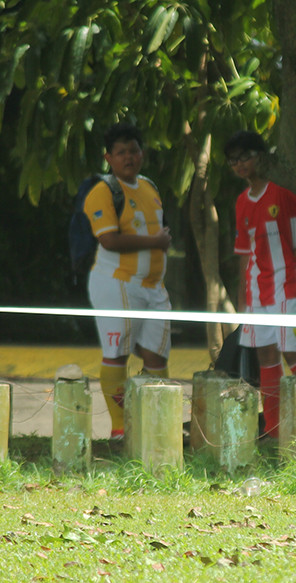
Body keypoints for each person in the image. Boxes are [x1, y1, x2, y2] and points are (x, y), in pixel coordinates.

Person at [225, 130, 296, 438]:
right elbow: (243, 254)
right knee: (266, 357)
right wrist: (243, 298)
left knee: (292, 354)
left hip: (288, 284)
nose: (240, 165)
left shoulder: (283, 191)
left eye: (245, 157)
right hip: (257, 289)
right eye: (233, 160)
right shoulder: (242, 202)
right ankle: (274, 429)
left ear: (260, 156)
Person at [85, 122, 172, 442]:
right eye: (120, 153)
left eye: (133, 150)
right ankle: (120, 429)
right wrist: (155, 243)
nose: (129, 158)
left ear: (142, 153)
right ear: (108, 158)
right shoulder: (103, 191)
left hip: (154, 287)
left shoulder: (149, 186)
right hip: (116, 283)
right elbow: (108, 240)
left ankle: (151, 427)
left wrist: (158, 243)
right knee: (117, 354)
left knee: (156, 357)